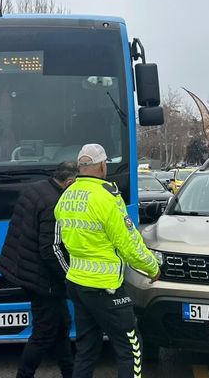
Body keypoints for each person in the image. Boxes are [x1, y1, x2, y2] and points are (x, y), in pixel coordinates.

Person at [55, 144, 160, 378]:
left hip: (77, 283)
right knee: (130, 348)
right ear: (103, 166)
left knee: (86, 349)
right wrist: (152, 267)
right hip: (106, 287)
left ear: (81, 167)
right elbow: (129, 243)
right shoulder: (108, 197)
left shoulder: (67, 195)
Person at [0, 161, 79, 378]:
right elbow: (50, 250)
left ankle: (70, 373)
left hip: (26, 270)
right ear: (69, 182)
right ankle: (24, 375)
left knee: (61, 326)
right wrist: (70, 276)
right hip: (43, 280)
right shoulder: (56, 203)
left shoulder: (36, 188)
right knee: (44, 332)